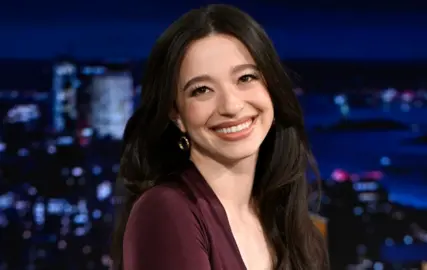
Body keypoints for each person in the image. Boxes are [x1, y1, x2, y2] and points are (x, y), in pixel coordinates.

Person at [111, 4, 329, 270]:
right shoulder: (167, 210)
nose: (231, 106)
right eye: (202, 90)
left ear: (271, 87)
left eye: (246, 77)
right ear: (176, 113)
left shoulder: (294, 227)